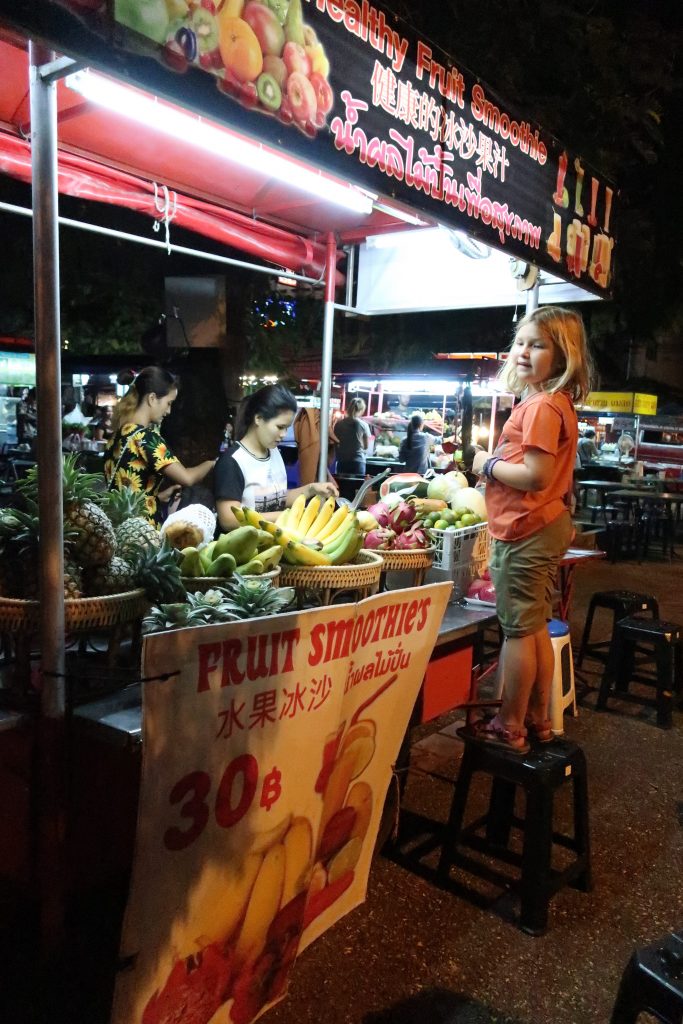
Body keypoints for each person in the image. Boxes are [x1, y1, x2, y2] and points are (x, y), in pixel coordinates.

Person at [470, 306, 592, 753]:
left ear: (563, 357)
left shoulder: (541, 406)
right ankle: (538, 718)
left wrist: (488, 464)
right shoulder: (555, 403)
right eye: (520, 342)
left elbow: (536, 476)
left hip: (526, 529)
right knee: (535, 626)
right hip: (544, 524)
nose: (523, 351)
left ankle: (509, 724)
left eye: (538, 345)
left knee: (519, 632)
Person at [214, 383, 338, 531]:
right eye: (280, 427)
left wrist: (311, 489)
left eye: (287, 428)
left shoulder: (274, 452)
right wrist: (287, 516)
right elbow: (228, 519)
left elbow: (277, 498)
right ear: (258, 418)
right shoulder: (233, 461)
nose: (283, 434)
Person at [104, 366, 216, 526]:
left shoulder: (117, 435)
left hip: (118, 526)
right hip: (142, 529)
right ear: (152, 398)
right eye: (168, 403)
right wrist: (212, 463)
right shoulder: (145, 437)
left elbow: (125, 488)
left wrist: (157, 497)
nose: (168, 411)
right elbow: (187, 478)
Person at [333, 398, 371, 476]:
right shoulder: (364, 425)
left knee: (343, 483)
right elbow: (366, 446)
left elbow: (335, 443)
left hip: (342, 461)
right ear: (362, 410)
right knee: (358, 484)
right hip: (358, 462)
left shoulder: (339, 424)